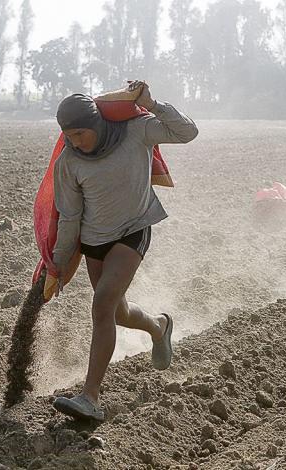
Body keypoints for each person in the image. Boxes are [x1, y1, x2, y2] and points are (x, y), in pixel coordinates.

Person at [48, 81, 198, 421]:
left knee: (102, 304)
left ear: (97, 125)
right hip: (94, 241)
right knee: (117, 313)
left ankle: (90, 397)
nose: (75, 143)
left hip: (133, 230)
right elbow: (69, 217)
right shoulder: (68, 162)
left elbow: (187, 132)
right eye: (69, 137)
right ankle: (159, 327)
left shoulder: (137, 131)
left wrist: (154, 103)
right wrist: (57, 264)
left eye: (81, 134)